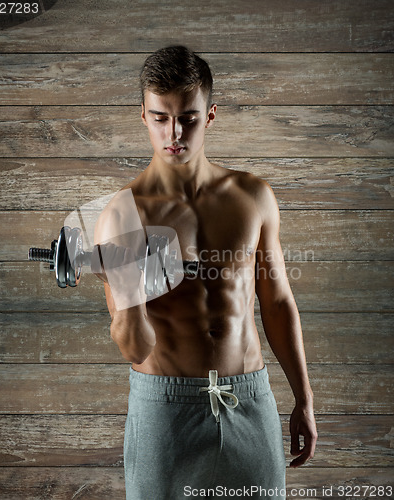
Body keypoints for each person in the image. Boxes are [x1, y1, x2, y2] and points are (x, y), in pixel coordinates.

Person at [94, 46, 317, 499]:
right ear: (143, 116)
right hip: (165, 407)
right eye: (160, 117)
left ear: (210, 115)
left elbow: (276, 303)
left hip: (249, 398)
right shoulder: (123, 214)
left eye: (188, 118)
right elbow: (134, 345)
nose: (173, 132)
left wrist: (304, 397)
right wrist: (129, 282)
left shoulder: (252, 197)